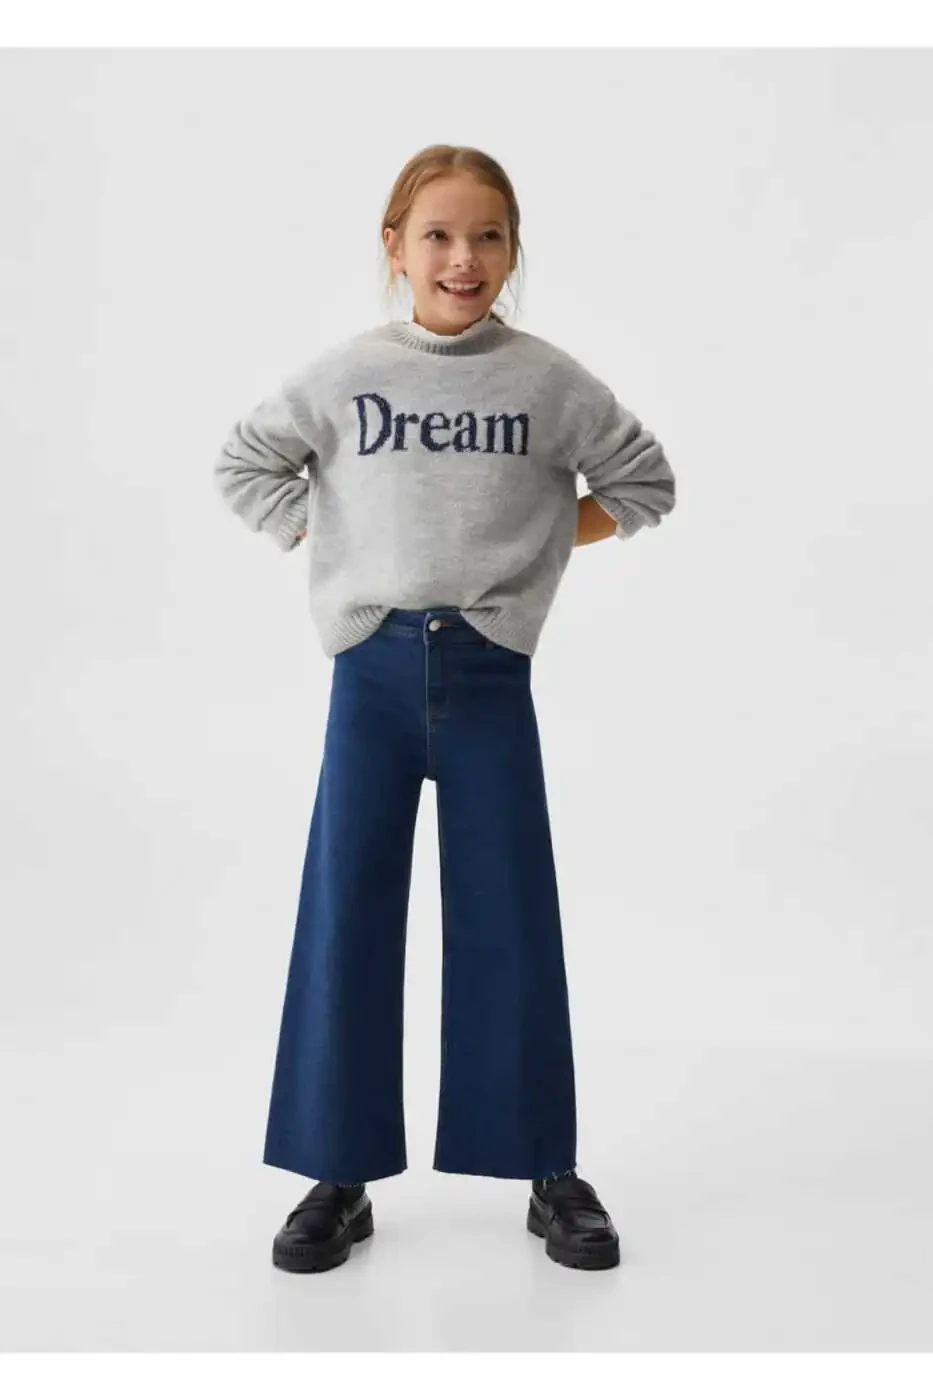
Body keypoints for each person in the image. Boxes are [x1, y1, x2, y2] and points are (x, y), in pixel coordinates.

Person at [212, 144, 676, 1274]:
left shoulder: (546, 382)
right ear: (395, 247)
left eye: (487, 237)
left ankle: (547, 1168)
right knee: (348, 915)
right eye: (437, 235)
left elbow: (643, 483)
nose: (462, 259)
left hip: (488, 671)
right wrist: (334, 538)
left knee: (511, 914)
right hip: (368, 672)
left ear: (512, 253)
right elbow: (246, 464)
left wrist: (533, 544)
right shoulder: (345, 374)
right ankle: (339, 1171)